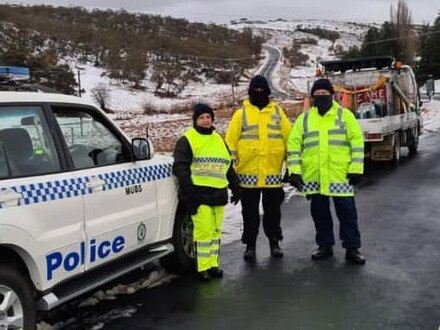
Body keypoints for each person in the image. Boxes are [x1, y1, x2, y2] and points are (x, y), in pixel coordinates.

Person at [287, 78, 366, 265]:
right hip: (314, 176)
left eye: (324, 94)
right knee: (319, 214)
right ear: (312, 97)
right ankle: (325, 246)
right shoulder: (304, 119)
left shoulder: (344, 115)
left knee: (347, 214)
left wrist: (356, 168)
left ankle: (352, 248)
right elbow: (294, 146)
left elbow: (356, 142)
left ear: (332, 95)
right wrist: (295, 172)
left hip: (340, 176)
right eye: (317, 94)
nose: (321, 97)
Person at [225, 75, 292, 261]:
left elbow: (290, 141)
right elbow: (230, 143)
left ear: (268, 92)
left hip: (272, 175)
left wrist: (291, 168)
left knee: (273, 213)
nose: (259, 93)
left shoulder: (278, 112)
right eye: (256, 90)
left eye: (263, 90)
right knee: (249, 215)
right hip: (247, 176)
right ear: (250, 92)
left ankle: (274, 242)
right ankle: (250, 245)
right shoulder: (241, 114)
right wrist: (232, 175)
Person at [173, 103, 241, 281]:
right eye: (202, 117)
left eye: (208, 117)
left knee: (215, 232)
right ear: (195, 120)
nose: (205, 120)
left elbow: (228, 167)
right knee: (204, 232)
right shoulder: (187, 139)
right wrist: (189, 194)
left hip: (218, 194)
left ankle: (213, 264)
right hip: (199, 195)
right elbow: (181, 168)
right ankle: (202, 267)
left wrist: (236, 187)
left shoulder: (218, 139)